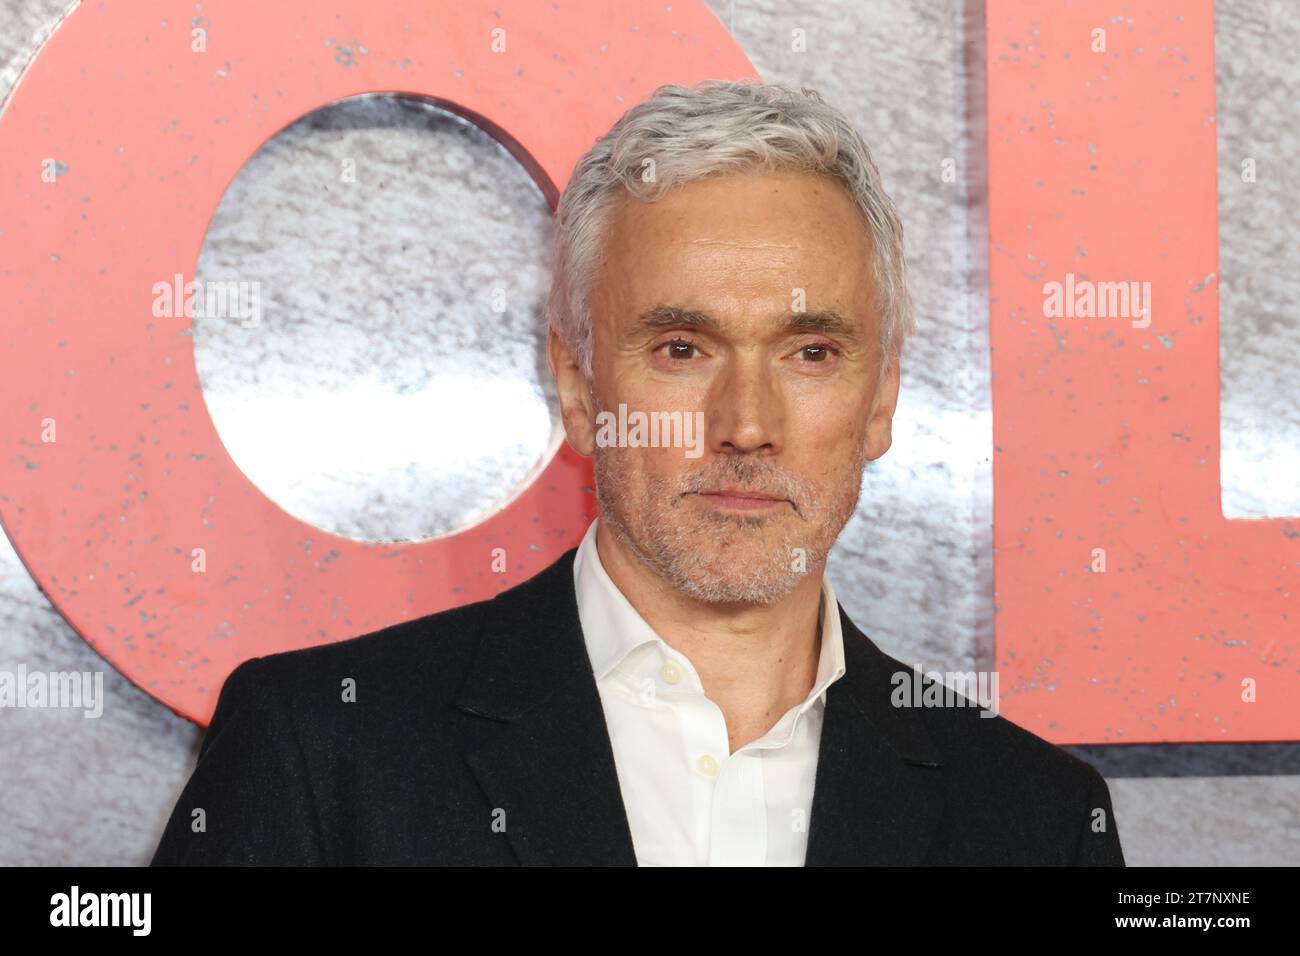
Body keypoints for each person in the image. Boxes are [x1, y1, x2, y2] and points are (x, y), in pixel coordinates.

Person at [151, 79, 1124, 866]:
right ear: (576, 385)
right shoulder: (321, 751)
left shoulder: (1035, 817)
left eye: (810, 353)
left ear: (880, 401)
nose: (745, 425)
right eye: (681, 348)